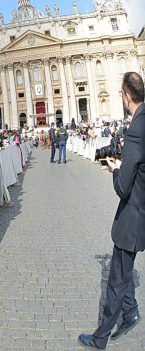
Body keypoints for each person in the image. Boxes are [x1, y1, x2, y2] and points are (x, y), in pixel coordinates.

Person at [79, 72, 145, 348]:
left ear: (126, 96)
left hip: (133, 213)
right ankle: (130, 313)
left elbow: (122, 186)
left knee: (116, 279)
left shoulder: (135, 131)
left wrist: (115, 169)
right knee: (125, 267)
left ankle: (100, 337)